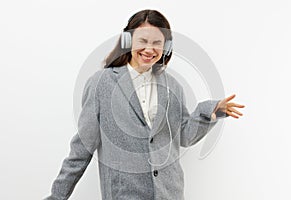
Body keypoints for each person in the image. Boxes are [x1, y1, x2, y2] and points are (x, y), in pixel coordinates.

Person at [44, 9, 245, 200]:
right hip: (125, 194)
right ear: (128, 40)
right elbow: (82, 148)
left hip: (169, 193)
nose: (149, 49)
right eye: (143, 41)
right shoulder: (101, 84)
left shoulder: (172, 86)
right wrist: (56, 197)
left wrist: (209, 112)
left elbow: (184, 136)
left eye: (157, 43)